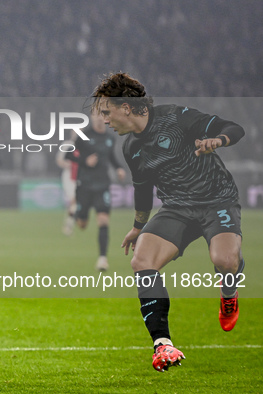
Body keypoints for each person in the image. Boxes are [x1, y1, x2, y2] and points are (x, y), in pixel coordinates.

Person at [92, 72, 245, 372]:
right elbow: (142, 189)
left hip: (217, 201)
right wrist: (138, 226)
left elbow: (234, 128)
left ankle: (229, 293)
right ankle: (162, 344)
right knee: (142, 261)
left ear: (125, 107)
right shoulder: (130, 148)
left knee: (225, 260)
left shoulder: (177, 117)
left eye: (107, 113)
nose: (106, 121)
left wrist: (218, 140)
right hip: (177, 208)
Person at [64, 114, 126, 271]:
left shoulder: (110, 138)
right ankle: (76, 215)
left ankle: (102, 259)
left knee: (104, 220)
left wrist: (118, 168)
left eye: (102, 114)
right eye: (96, 115)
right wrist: (85, 161)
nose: (99, 118)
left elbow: (111, 157)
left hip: (102, 185)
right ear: (91, 117)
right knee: (83, 224)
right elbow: (68, 154)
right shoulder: (83, 136)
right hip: (84, 186)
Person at [55, 133, 79, 236]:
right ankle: (68, 225)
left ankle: (69, 224)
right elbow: (59, 160)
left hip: (80, 176)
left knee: (75, 203)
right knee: (74, 200)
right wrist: (69, 164)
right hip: (69, 177)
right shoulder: (67, 145)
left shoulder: (85, 145)